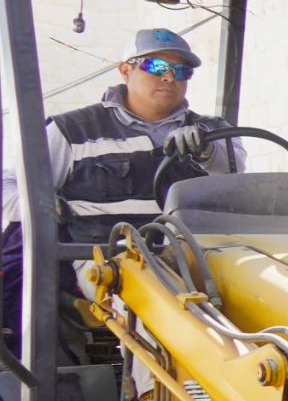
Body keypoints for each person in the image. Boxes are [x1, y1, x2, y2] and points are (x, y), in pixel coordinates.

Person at [4, 30, 244, 288]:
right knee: (161, 294)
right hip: (108, 263)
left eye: (181, 71)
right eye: (155, 66)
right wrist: (38, 205)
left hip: (197, 258)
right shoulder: (72, 131)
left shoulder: (213, 130)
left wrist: (206, 150)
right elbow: (8, 185)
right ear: (125, 70)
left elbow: (235, 173)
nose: (169, 77)